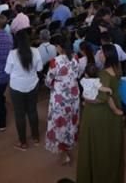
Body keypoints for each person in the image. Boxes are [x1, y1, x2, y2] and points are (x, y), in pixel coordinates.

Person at [76, 44, 125, 183]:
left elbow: (101, 98)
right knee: (110, 147)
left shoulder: (103, 74)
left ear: (107, 55)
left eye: (102, 52)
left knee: (97, 149)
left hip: (99, 115)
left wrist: (85, 99)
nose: (99, 54)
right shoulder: (117, 69)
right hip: (112, 113)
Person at [44, 35, 82, 165]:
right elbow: (77, 74)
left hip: (60, 95)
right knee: (71, 119)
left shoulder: (55, 61)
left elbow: (48, 81)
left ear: (59, 47)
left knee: (59, 121)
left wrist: (55, 85)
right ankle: (69, 143)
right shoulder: (76, 57)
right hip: (74, 92)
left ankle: (63, 149)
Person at [6, 28, 43, 150]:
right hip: (32, 84)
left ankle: (23, 142)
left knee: (19, 114)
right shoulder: (36, 51)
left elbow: (7, 71)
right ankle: (36, 137)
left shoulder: (12, 54)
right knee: (32, 111)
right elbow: (39, 69)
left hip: (17, 87)